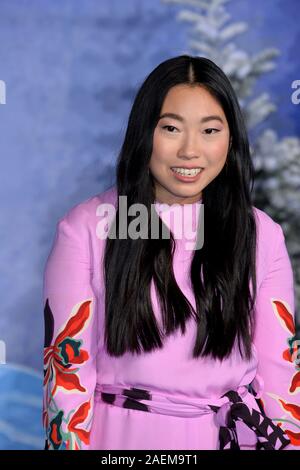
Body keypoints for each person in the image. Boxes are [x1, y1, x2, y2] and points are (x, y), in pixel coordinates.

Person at [42, 55, 299, 450]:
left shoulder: (260, 234)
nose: (190, 151)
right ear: (145, 132)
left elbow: (284, 382)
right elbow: (66, 381)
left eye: (210, 130)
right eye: (171, 128)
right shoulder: (86, 228)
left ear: (230, 140)